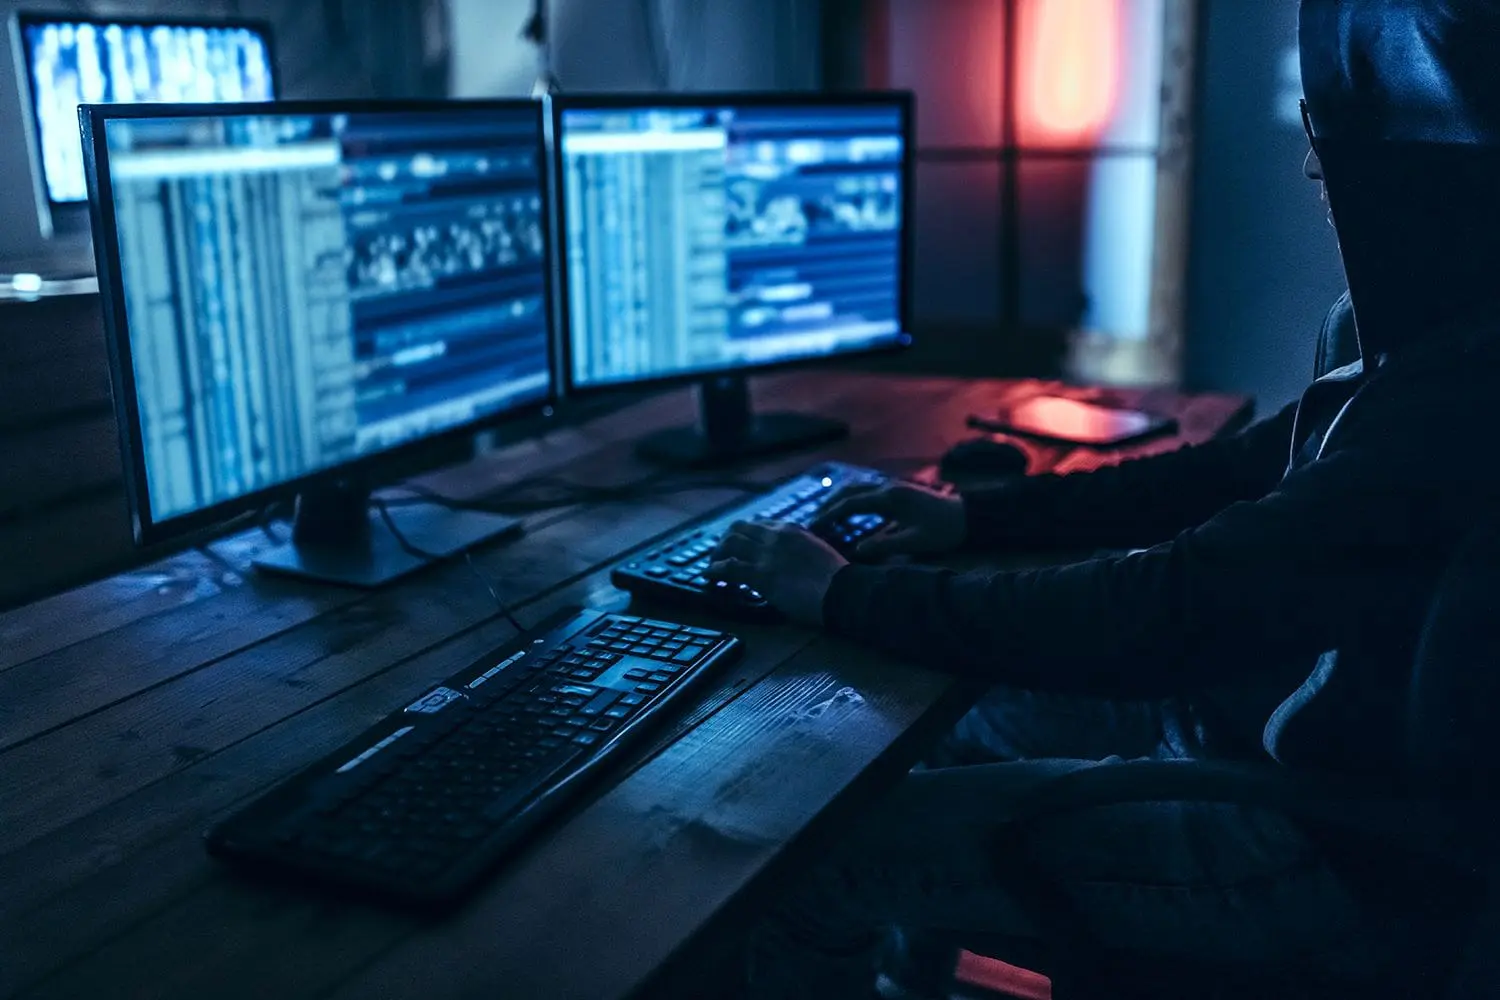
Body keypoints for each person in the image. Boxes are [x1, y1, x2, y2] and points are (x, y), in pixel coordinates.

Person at [710, 1, 1500, 996]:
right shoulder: (1423, 345)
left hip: (1303, 842)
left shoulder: (1458, 405)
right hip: (1236, 730)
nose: (1318, 181)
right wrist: (976, 518)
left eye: (1337, 155)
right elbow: (1222, 474)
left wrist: (840, 597)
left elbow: (1170, 608)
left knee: (817, 852)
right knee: (900, 737)